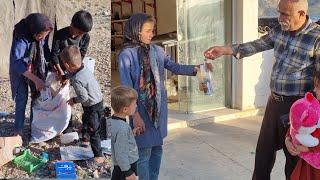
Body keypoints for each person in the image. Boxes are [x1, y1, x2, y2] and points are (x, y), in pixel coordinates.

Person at [204, 0, 320, 179]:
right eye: (279, 12)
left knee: (294, 159)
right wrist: (225, 50)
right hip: (274, 104)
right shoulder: (279, 30)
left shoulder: (316, 38)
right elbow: (256, 45)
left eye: (285, 14)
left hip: (299, 110)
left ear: (301, 14)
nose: (279, 18)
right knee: (263, 155)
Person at [118, 13, 210, 180]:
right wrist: (135, 115)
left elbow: (175, 67)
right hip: (140, 111)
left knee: (157, 150)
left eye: (152, 30)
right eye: (147, 31)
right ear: (136, 31)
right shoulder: (127, 55)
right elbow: (126, 89)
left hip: (158, 111)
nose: (152, 34)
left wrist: (197, 69)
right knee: (144, 153)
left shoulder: (157, 51)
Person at [9, 13, 53, 136]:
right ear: (33, 31)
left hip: (36, 68)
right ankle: (18, 131)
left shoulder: (41, 35)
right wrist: (36, 79)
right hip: (21, 71)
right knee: (21, 99)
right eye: (40, 36)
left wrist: (53, 65)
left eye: (44, 36)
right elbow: (17, 63)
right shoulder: (21, 38)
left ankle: (35, 127)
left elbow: (44, 48)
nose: (42, 39)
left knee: (37, 97)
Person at [60, 45, 104, 163]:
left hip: (92, 106)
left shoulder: (77, 79)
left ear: (68, 65)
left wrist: (73, 100)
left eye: (64, 65)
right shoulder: (83, 68)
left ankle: (98, 156)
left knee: (94, 130)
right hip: (97, 102)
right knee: (86, 120)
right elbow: (74, 73)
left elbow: (83, 97)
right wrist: (65, 76)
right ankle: (84, 140)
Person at [285, 71, 320, 180]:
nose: (314, 90)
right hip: (308, 165)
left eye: (318, 87)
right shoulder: (312, 105)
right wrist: (288, 139)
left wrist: (308, 149)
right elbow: (296, 124)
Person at [109, 86, 140, 180]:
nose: (136, 106)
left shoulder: (113, 121)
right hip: (126, 167)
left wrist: (131, 133)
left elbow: (118, 140)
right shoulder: (123, 128)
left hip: (120, 167)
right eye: (134, 104)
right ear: (125, 109)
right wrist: (128, 172)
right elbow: (121, 153)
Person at [51, 10, 92, 77]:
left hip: (74, 67)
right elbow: (54, 54)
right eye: (79, 32)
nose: (81, 35)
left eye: (83, 33)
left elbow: (81, 55)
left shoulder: (85, 37)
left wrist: (71, 72)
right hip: (60, 65)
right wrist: (60, 71)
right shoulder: (59, 35)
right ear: (72, 25)